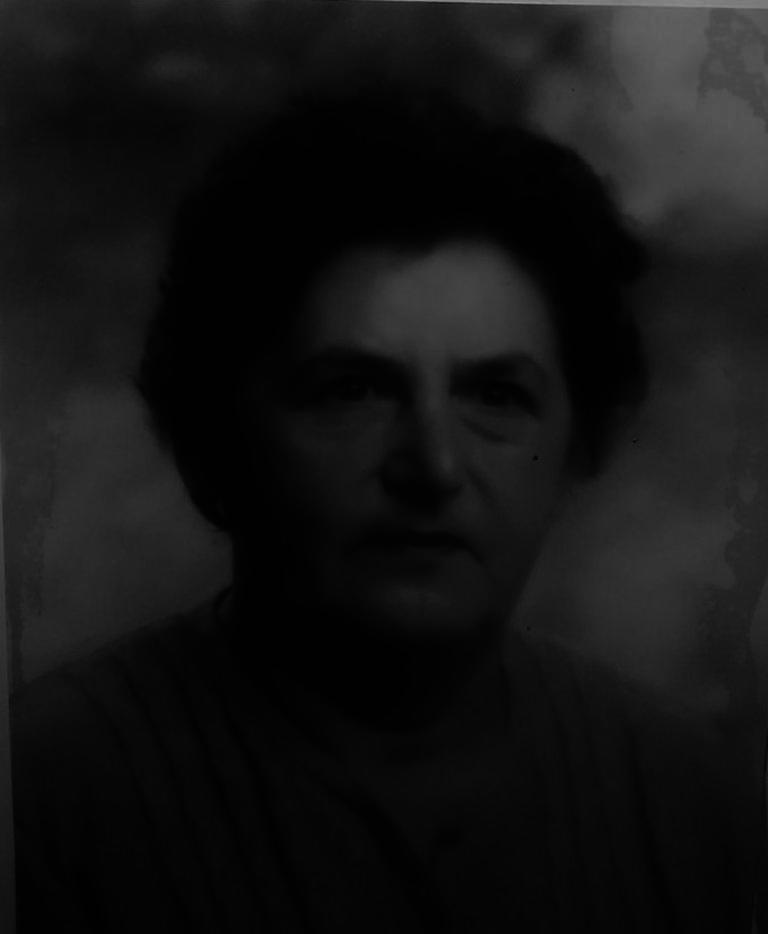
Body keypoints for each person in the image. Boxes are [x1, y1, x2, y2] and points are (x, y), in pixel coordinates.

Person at [11, 82, 759, 933]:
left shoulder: (683, 799)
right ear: (217, 440)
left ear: (576, 444)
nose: (433, 465)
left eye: (497, 396)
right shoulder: (44, 800)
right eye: (354, 391)